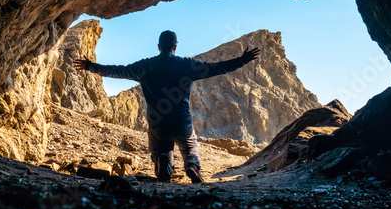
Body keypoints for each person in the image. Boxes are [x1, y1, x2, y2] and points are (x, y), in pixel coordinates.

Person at [73, 30, 260, 183]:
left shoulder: (145, 66)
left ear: (159, 46)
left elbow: (117, 71)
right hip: (181, 120)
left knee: (160, 147)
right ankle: (192, 167)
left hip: (158, 121)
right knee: (190, 145)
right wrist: (242, 59)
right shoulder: (187, 65)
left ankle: (164, 163)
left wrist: (91, 66)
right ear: (175, 47)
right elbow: (217, 68)